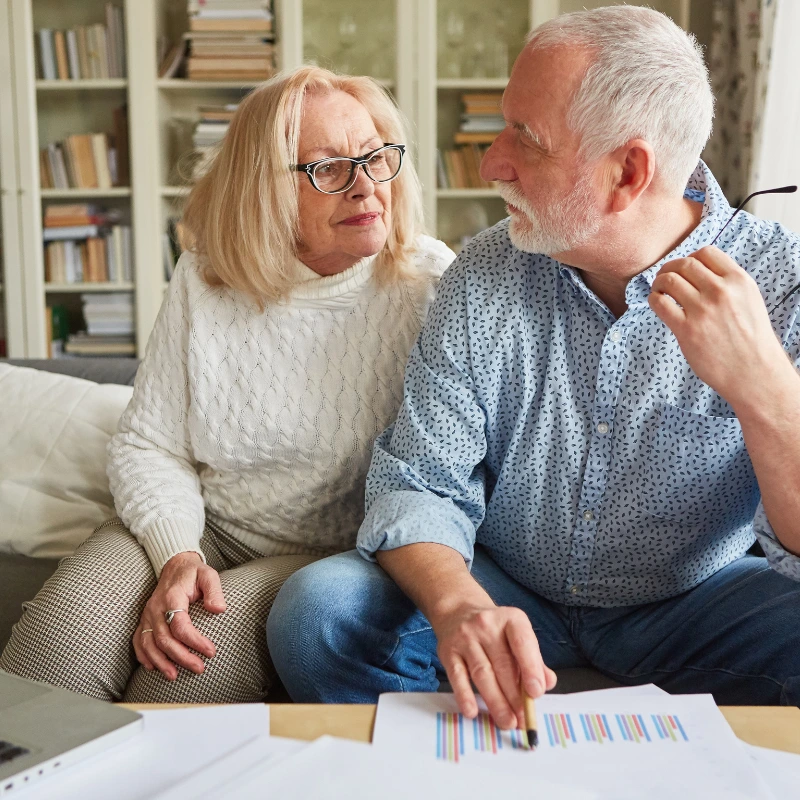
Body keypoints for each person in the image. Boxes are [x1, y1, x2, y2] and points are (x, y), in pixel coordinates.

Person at [267, 6, 800, 726]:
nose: (491, 164)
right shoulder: (485, 272)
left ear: (628, 173)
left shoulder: (783, 283)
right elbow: (420, 483)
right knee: (317, 615)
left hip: (697, 602)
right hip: (508, 586)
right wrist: (460, 607)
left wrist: (765, 389)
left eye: (527, 138)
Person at [0, 66, 454, 703]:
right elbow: (150, 444)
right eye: (326, 167)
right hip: (207, 525)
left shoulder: (432, 286)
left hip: (328, 557)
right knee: (57, 644)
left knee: (180, 674)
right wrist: (177, 555)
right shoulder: (206, 276)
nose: (364, 186)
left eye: (376, 157)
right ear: (264, 189)